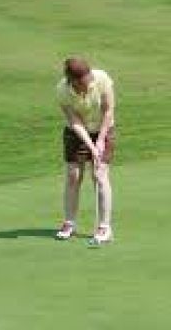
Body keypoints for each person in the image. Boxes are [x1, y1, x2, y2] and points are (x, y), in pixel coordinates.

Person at [55, 57, 116, 242]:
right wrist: (90, 144)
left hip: (104, 128)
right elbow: (74, 121)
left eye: (89, 79)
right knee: (73, 175)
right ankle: (69, 222)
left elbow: (108, 110)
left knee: (99, 174)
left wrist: (100, 141)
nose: (88, 84)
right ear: (72, 80)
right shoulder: (62, 90)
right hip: (78, 132)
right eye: (83, 82)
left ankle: (104, 227)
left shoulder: (102, 79)